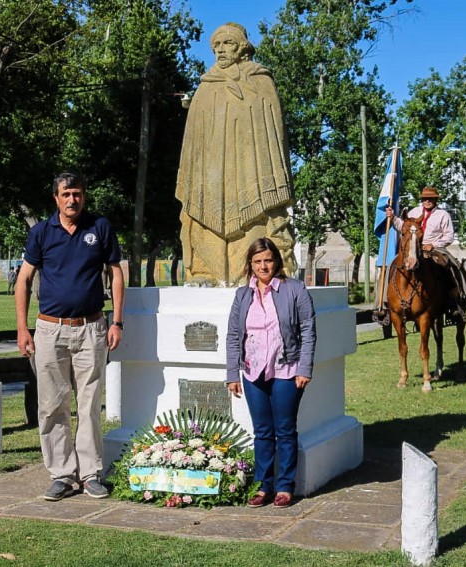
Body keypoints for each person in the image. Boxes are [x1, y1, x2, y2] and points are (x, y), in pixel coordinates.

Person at [15, 172, 125, 502]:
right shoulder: (41, 232)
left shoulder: (100, 227)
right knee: (52, 406)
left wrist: (117, 322)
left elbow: (115, 273)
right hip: (50, 330)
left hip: (92, 328)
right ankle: (61, 475)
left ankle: (91, 475)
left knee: (89, 405)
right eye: (66, 194)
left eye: (77, 193)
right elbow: (24, 280)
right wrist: (22, 328)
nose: (72, 199)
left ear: (83, 196)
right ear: (56, 198)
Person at [176, 22, 296, 285]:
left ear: (242, 48)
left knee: (257, 217)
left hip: (251, 167)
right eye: (216, 45)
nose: (220, 50)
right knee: (204, 214)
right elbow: (193, 139)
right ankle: (205, 269)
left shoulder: (260, 80)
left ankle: (256, 268)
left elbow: (272, 130)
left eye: (227, 43)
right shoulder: (206, 86)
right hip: (212, 171)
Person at [226, 237, 315, 509]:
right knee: (262, 431)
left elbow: (308, 330)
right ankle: (263, 486)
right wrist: (232, 373)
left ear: (276, 261)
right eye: (257, 261)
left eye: (268, 260)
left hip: (286, 369)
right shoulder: (243, 295)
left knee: (285, 429)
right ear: (250, 264)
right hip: (253, 372)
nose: (263, 266)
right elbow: (233, 335)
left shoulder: (295, 289)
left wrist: (304, 368)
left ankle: (285, 486)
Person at [385, 186, 466, 321]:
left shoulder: (443, 215)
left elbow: (449, 236)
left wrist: (433, 245)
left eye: (431, 199)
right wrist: (393, 217)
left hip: (435, 248)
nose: (427, 201)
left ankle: (454, 301)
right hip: (413, 247)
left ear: (435, 200)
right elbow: (403, 227)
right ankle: (385, 304)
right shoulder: (414, 211)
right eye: (425, 198)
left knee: (450, 265)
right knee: (391, 266)